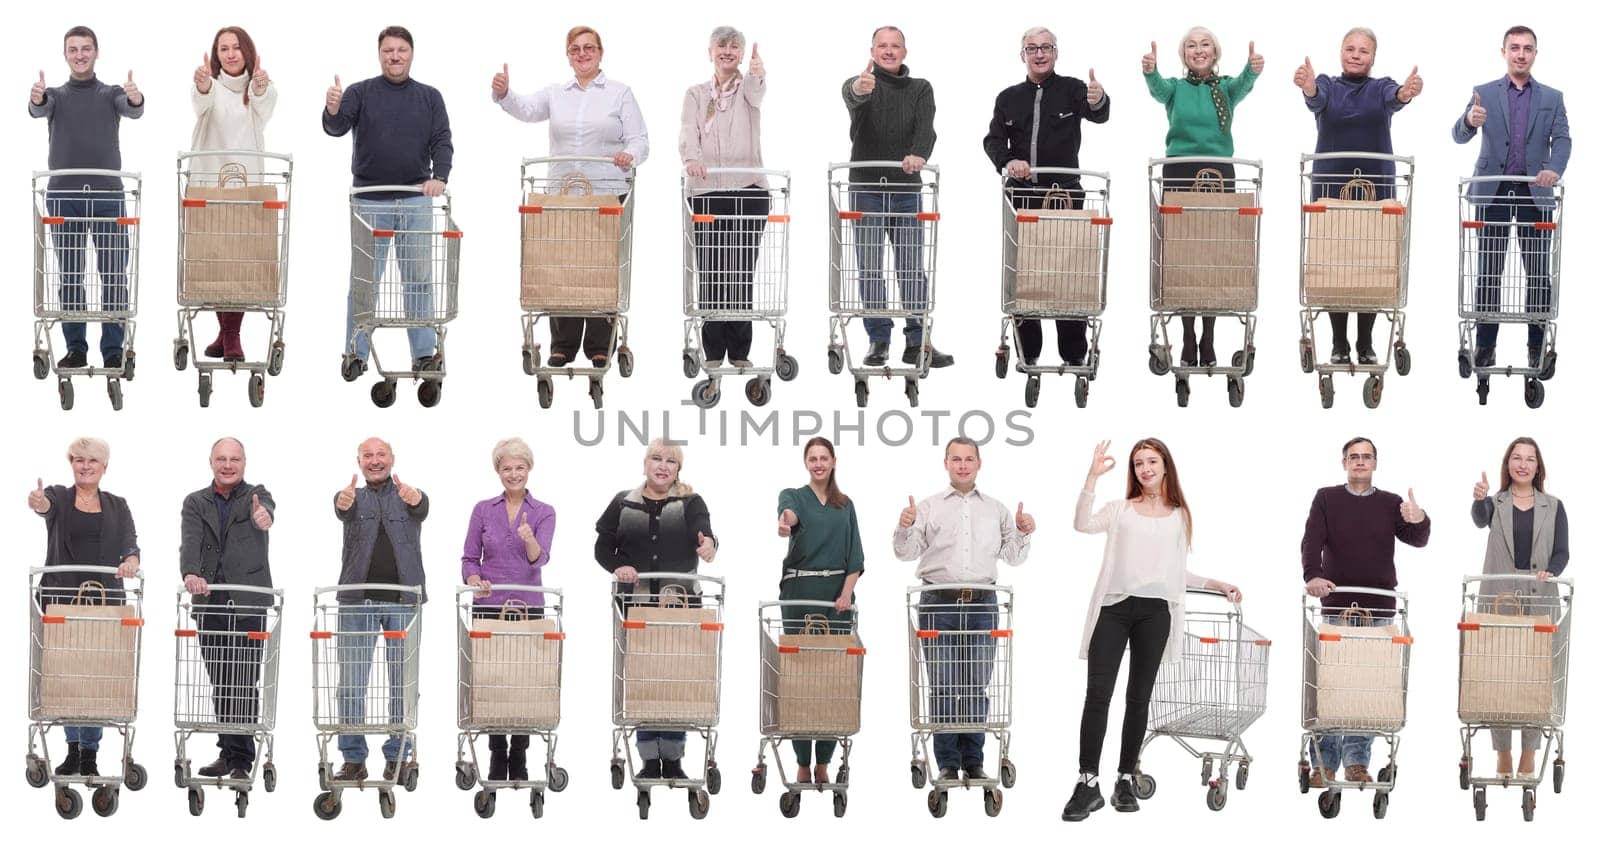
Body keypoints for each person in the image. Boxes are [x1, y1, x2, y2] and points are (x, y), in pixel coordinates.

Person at [1062, 438, 1240, 821]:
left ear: (1165, 465)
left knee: (1138, 699)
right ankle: (1087, 782)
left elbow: (1174, 573)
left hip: (1155, 613)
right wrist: (1091, 478)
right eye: (1138, 462)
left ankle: (1125, 777)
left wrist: (1216, 583)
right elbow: (1081, 524)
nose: (1145, 468)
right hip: (1113, 608)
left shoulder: (1179, 515)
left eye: (1152, 461)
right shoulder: (1120, 510)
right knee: (1098, 696)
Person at [493, 26, 648, 369]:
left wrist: (629, 155)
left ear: (600, 53)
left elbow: (640, 140)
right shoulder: (555, 92)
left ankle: (598, 343)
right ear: (568, 55)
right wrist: (505, 94)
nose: (582, 54)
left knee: (600, 268)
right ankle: (562, 344)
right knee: (562, 264)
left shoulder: (620, 93)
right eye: (575, 49)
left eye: (589, 48)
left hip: (606, 194)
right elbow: (527, 109)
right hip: (562, 195)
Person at [893, 437, 1033, 783]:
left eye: (969, 459)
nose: (963, 465)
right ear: (946, 464)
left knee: (976, 683)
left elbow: (1014, 557)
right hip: (938, 602)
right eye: (956, 459)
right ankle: (946, 763)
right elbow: (905, 553)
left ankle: (974, 760)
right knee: (941, 684)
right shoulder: (927, 507)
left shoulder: (996, 509)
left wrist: (1024, 532)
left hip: (982, 604)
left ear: (979, 464)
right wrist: (905, 525)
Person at [1300, 436, 1429, 787]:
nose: (1360, 462)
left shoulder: (1390, 503)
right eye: (1353, 457)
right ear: (1344, 462)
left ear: (1375, 463)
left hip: (1379, 606)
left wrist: (1419, 518)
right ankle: (1324, 764)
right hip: (1337, 604)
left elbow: (1417, 539)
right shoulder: (1327, 497)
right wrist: (1313, 575)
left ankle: (1357, 761)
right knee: (1331, 685)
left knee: (1368, 686)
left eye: (1366, 457)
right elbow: (1312, 539)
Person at [324, 26, 452, 376]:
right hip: (370, 201)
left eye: (401, 50)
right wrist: (332, 110)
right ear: (379, 54)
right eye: (388, 50)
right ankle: (356, 352)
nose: (395, 56)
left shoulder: (429, 97)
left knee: (419, 279)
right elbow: (337, 128)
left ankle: (424, 354)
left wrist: (439, 177)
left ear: (412, 53)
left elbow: (442, 139)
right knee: (365, 281)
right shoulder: (360, 92)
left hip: (415, 200)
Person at [983, 26, 1109, 367]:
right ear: (1022, 55)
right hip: (1022, 198)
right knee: (1025, 275)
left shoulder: (1072, 89)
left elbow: (1098, 112)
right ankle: (1030, 353)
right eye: (1032, 48)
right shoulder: (1008, 97)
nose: (1039, 54)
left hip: (1065, 197)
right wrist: (1009, 162)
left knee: (1069, 273)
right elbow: (993, 141)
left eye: (1046, 48)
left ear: (1056, 53)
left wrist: (1098, 99)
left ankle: (1073, 354)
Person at [1295, 28, 1422, 365]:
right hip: (1330, 187)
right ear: (1340, 52)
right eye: (1349, 48)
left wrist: (1406, 93)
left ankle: (1365, 343)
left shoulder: (1380, 87)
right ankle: (1339, 343)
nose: (1355, 55)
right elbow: (1316, 98)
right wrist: (1308, 87)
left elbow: (1396, 97)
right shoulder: (1327, 84)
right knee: (1335, 259)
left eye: (1363, 51)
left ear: (1373, 57)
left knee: (1371, 260)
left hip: (1376, 186)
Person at [594, 439, 717, 781]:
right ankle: (649, 758)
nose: (663, 466)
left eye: (671, 462)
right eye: (656, 459)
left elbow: (704, 533)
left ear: (679, 469)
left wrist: (708, 544)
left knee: (676, 678)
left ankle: (674, 758)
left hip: (680, 606)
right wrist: (618, 566)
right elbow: (603, 546)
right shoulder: (623, 502)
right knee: (644, 679)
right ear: (645, 463)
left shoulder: (690, 502)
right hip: (637, 607)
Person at [1452, 26, 1570, 370]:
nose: (1521, 54)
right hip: (1493, 192)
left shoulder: (1552, 97)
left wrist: (1554, 169)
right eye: (1515, 48)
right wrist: (1469, 121)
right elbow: (1458, 135)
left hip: (1536, 192)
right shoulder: (1483, 93)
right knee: (1489, 271)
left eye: (1528, 49)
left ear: (1535, 54)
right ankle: (1485, 346)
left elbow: (1562, 139)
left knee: (1537, 274)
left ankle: (1536, 346)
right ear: (1503, 52)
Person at [1142, 28, 1262, 367]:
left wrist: (1252, 67)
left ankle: (1208, 338)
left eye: (1205, 44)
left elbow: (1244, 83)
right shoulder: (1175, 89)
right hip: (1179, 169)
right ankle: (1187, 336)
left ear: (1215, 52)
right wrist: (1150, 70)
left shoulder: (1224, 89)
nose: (1198, 50)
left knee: (1213, 252)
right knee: (1183, 252)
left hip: (1220, 170)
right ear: (1183, 55)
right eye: (1191, 46)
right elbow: (1157, 88)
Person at [28, 26, 144, 371]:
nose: (80, 54)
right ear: (66, 54)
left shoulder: (110, 94)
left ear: (96, 52)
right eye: (73, 49)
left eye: (86, 48)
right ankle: (76, 349)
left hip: (109, 197)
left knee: (113, 275)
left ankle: (112, 351)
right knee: (71, 274)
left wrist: (135, 97)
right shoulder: (55, 95)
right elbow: (39, 108)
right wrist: (36, 98)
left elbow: (133, 109)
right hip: (64, 198)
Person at [27, 437, 141, 778]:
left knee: (98, 675)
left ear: (104, 467)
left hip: (104, 602)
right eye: (78, 460)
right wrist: (38, 502)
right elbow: (44, 506)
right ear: (72, 464)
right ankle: (73, 750)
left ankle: (89, 754)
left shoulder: (117, 505)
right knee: (67, 673)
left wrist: (132, 560)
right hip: (63, 600)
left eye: (92, 460)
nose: (85, 466)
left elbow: (130, 544)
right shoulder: (60, 497)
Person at [842, 26, 953, 370]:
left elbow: (926, 127)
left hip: (906, 190)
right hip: (867, 189)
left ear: (905, 51)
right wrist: (859, 88)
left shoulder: (920, 88)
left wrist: (918, 153)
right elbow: (852, 94)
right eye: (882, 46)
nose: (888, 51)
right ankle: (878, 339)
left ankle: (918, 340)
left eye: (895, 46)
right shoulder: (862, 83)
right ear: (872, 51)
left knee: (910, 267)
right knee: (871, 266)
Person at [1470, 437, 1568, 778]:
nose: (1523, 464)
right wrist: (1479, 499)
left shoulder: (1553, 505)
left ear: (1538, 466)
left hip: (1540, 595)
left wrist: (1551, 572)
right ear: (1507, 464)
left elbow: (1562, 551)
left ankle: (1529, 753)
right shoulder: (1495, 502)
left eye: (1529, 459)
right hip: (1499, 594)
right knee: (1499, 673)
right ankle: (1503, 754)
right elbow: (1480, 520)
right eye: (1516, 458)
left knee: (1534, 675)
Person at [331, 437, 429, 782]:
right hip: (357, 601)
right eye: (368, 456)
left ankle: (397, 755)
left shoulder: (410, 495)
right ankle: (353, 759)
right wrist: (342, 502)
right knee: (351, 685)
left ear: (392, 458)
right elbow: (340, 509)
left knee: (402, 683)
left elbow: (422, 508)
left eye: (380, 454)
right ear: (359, 462)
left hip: (404, 600)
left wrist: (416, 499)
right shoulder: (350, 497)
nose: (375, 461)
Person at [178, 437, 275, 780]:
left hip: (248, 603)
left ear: (244, 462)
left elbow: (267, 512)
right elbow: (189, 541)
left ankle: (241, 759)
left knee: (245, 680)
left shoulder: (256, 494)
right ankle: (227, 751)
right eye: (222, 459)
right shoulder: (195, 501)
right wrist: (191, 572)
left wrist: (264, 517)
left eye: (234, 459)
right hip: (210, 602)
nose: (228, 465)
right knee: (221, 679)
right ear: (211, 462)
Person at [461, 437, 556, 781]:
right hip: (489, 606)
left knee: (525, 682)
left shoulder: (544, 511)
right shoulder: (483, 509)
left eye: (519, 468)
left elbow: (538, 558)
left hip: (528, 607)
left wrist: (529, 536)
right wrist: (473, 577)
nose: (513, 474)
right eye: (507, 468)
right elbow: (470, 557)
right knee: (492, 681)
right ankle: (497, 754)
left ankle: (520, 755)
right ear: (498, 471)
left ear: (529, 470)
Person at [775, 437, 865, 784]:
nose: (818, 464)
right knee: (800, 677)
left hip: (836, 599)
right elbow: (788, 513)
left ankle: (824, 762)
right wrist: (786, 522)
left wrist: (845, 595)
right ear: (805, 463)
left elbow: (855, 557)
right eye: (812, 458)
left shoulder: (846, 505)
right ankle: (801, 759)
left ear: (833, 461)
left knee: (831, 678)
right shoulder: (794, 496)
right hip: (800, 594)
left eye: (823, 458)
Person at [681, 26, 767, 370]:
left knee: (741, 271)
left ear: (742, 54)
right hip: (708, 191)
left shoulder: (748, 88)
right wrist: (692, 159)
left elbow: (758, 93)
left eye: (735, 47)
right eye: (722, 46)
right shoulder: (696, 94)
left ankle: (741, 352)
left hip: (749, 192)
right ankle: (714, 352)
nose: (728, 51)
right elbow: (688, 130)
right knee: (713, 271)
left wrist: (759, 73)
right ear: (710, 51)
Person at [189, 26, 276, 362]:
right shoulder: (209, 86)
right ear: (215, 55)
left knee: (238, 261)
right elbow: (201, 102)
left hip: (246, 187)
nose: (230, 54)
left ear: (247, 52)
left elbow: (265, 107)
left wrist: (261, 88)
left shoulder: (259, 88)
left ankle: (232, 337)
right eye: (223, 48)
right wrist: (201, 85)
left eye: (236, 47)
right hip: (208, 184)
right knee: (213, 259)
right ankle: (225, 335)